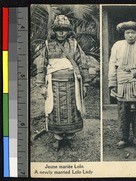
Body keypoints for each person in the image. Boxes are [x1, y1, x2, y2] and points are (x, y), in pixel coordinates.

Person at [34, 15, 90, 151]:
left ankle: (70, 137)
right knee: (54, 109)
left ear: (68, 31)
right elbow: (41, 65)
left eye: (64, 29)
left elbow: (82, 63)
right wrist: (41, 85)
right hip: (54, 84)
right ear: (54, 30)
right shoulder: (48, 45)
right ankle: (58, 139)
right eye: (58, 29)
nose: (61, 32)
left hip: (72, 84)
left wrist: (85, 84)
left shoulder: (74, 44)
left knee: (73, 108)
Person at [108, 21, 136, 149]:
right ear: (124, 34)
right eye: (128, 33)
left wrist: (135, 70)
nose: (130, 35)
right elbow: (112, 64)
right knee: (123, 110)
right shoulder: (117, 45)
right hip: (121, 81)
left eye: (133, 33)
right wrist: (112, 82)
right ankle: (123, 138)